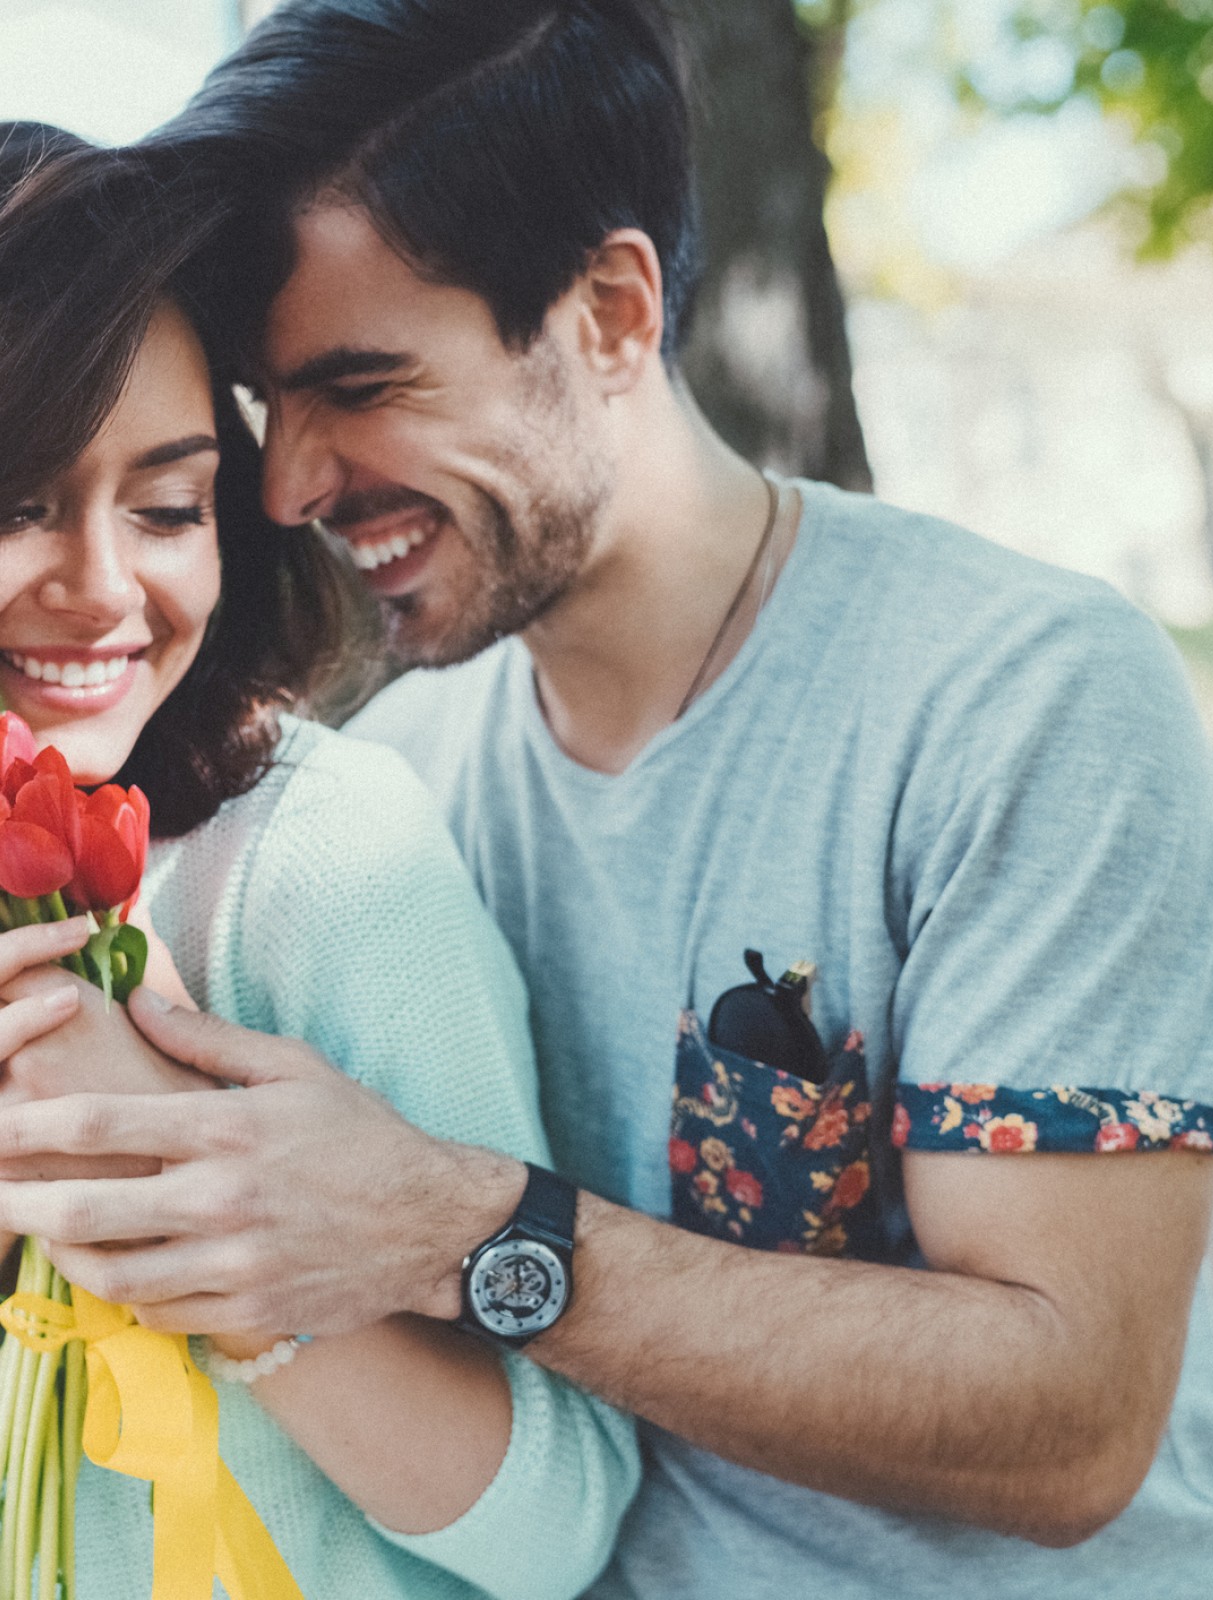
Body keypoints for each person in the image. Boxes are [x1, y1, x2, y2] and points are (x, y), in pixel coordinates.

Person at [0, 3, 1213, 1595]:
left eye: (366, 383)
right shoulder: (403, 782)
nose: (287, 486)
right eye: (277, 408)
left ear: (612, 311)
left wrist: (458, 1226)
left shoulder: (1021, 702)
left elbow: (1069, 1424)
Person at [0, 124, 637, 1600]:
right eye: (18, 502)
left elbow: (560, 1525)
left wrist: (182, 1196)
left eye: (168, 506)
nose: (103, 590)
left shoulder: (316, 860)